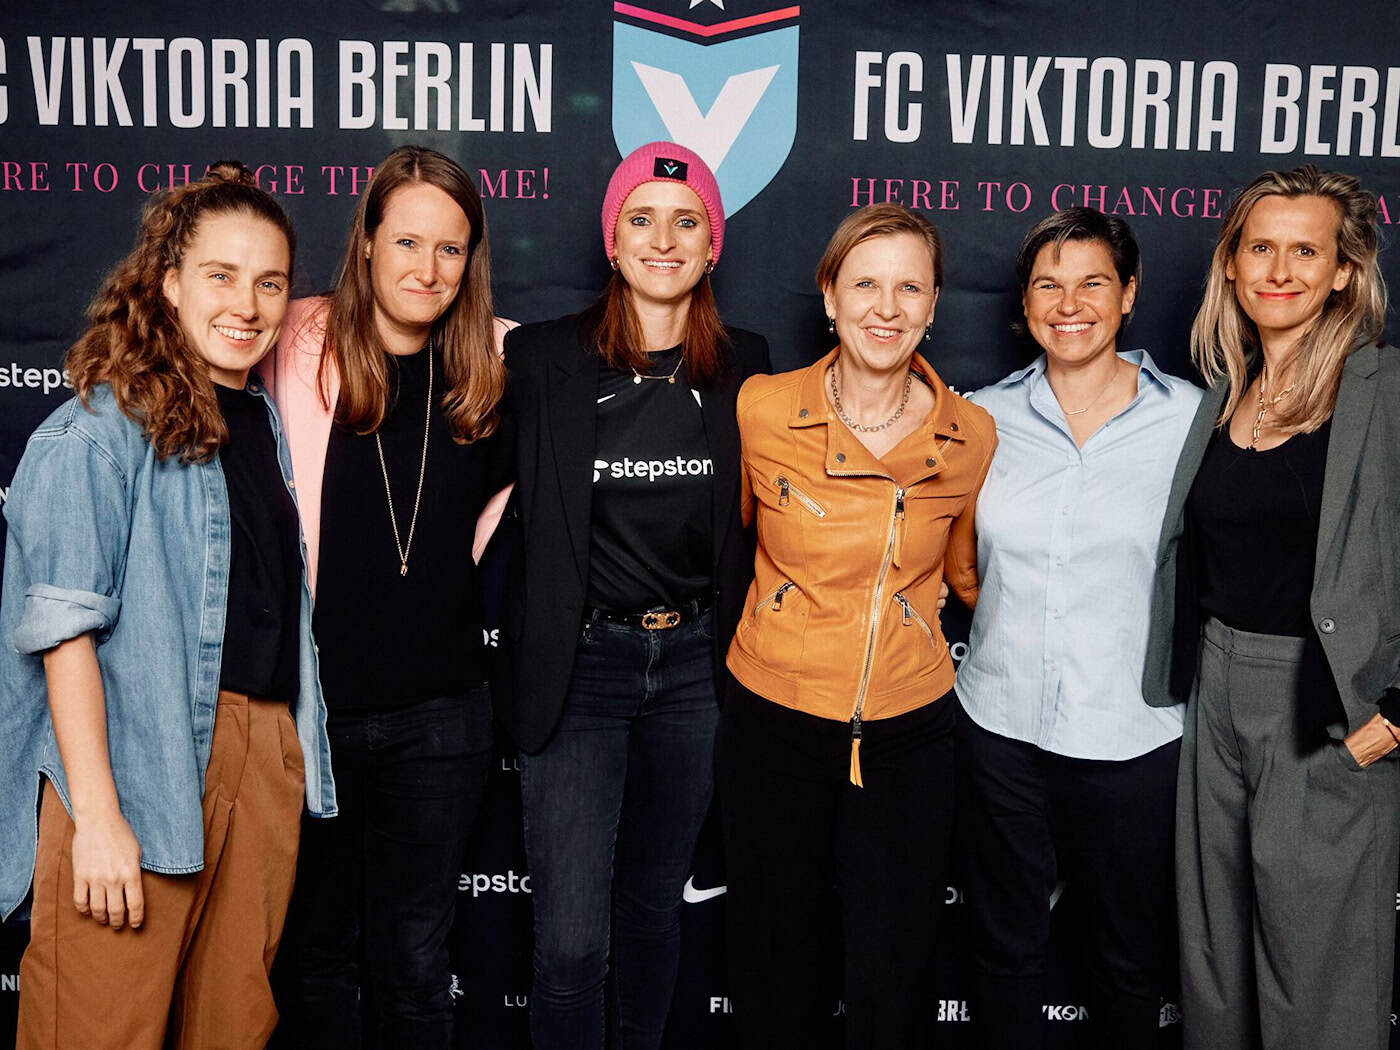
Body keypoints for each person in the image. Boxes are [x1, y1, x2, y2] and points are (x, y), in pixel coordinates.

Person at [0, 162, 335, 1050]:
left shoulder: (258, 419)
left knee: (232, 1024)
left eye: (270, 282)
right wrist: (99, 818)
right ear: (169, 282)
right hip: (135, 763)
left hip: (260, 754)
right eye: (221, 276)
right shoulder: (94, 432)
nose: (249, 304)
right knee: (100, 1025)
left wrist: (283, 759)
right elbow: (64, 637)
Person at [497, 140, 769, 1050]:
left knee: (655, 910)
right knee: (572, 946)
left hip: (695, 667)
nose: (664, 240)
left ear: (713, 245)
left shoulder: (747, 365)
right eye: (641, 220)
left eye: (686, 223)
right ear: (611, 242)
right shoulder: (540, 361)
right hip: (583, 669)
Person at [717, 202, 996, 1049]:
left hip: (909, 730)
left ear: (935, 304)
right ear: (829, 296)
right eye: (865, 284)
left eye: (909, 287)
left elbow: (964, 576)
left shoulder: (972, 435)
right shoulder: (761, 409)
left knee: (893, 970)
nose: (887, 307)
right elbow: (728, 549)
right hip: (774, 716)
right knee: (776, 964)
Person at [1143, 165, 1400, 1050]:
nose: (1279, 270)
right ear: (1231, 265)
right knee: (1215, 966)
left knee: (1316, 976)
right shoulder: (1226, 393)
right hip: (1215, 689)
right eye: (1261, 247)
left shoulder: (1384, 390)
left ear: (1343, 272)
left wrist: (1397, 713)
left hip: (1321, 705)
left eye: (1306, 250)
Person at [261, 145, 512, 1048]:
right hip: (310, 713)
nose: (427, 269)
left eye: (451, 250)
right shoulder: (290, 340)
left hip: (442, 719)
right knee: (315, 958)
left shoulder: (498, 366)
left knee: (413, 968)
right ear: (366, 242)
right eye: (407, 242)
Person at [955, 208, 1200, 1048]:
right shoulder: (981, 419)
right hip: (1001, 729)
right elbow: (957, 561)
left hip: (1132, 735)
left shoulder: (1193, 424)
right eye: (1048, 285)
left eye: (1093, 282)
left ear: (1128, 295)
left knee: (1127, 962)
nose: (1070, 303)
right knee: (1004, 950)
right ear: (1024, 303)